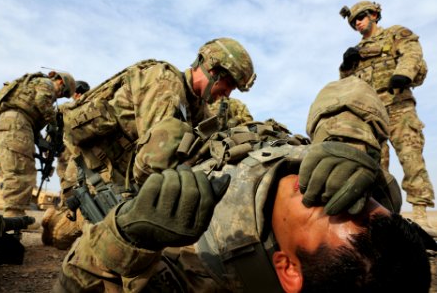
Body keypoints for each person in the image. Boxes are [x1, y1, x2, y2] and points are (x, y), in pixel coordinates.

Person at [54, 77, 434, 292]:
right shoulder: (383, 248)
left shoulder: (204, 267)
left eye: (325, 206)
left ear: (287, 269)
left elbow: (76, 286)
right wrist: (364, 165)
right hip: (250, 138)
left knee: (162, 143)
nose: (334, 192)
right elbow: (348, 90)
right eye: (362, 201)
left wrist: (127, 237)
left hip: (182, 164)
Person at [40, 38, 256, 249]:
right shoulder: (165, 82)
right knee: (110, 246)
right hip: (91, 172)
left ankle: (58, 221)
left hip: (116, 176)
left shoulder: (196, 106)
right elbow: (152, 166)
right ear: (211, 68)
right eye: (227, 83)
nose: (227, 93)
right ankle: (55, 225)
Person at [338, 1, 435, 232]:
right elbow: (346, 85)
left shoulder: (395, 34)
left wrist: (402, 74)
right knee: (373, 165)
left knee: (411, 157)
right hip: (370, 115)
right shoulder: (357, 51)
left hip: (398, 105)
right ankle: (381, 216)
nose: (357, 23)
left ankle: (420, 214)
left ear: (373, 15)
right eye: (353, 22)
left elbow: (412, 54)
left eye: (360, 17)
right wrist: (345, 65)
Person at [0, 70, 75, 228]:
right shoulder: (47, 84)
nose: (58, 97)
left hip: (10, 123)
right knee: (21, 173)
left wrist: (42, 142)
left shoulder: (29, 86)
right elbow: (41, 100)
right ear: (61, 83)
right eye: (62, 94)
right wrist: (54, 125)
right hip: (18, 124)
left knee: (14, 170)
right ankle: (14, 218)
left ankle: (14, 216)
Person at [41, 80, 91, 249]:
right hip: (70, 156)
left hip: (71, 156)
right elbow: (51, 133)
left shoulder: (65, 109)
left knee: (69, 189)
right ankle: (57, 229)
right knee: (70, 190)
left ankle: (56, 225)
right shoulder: (70, 109)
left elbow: (50, 135)